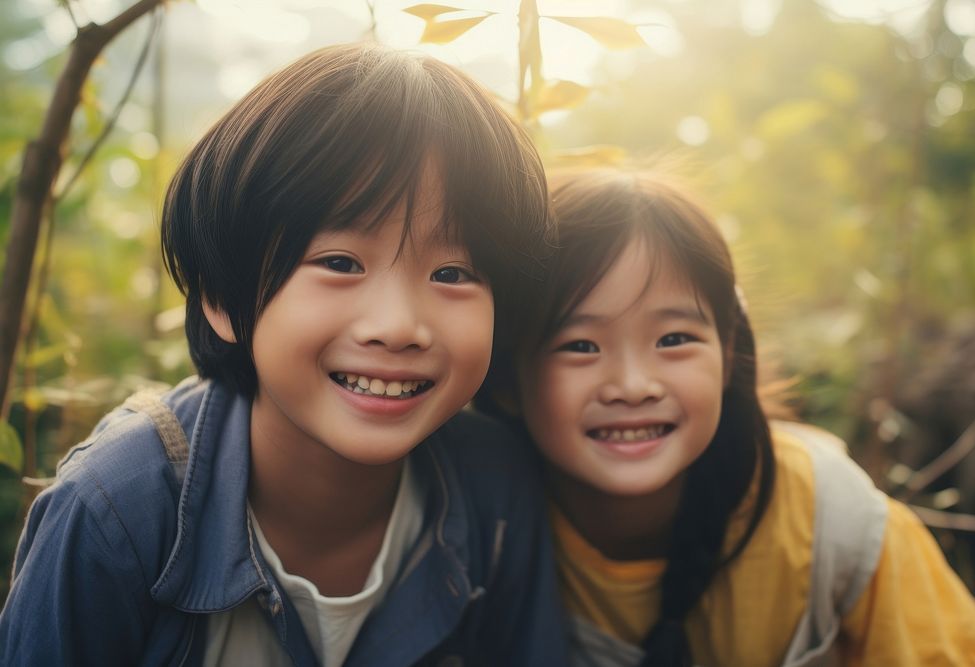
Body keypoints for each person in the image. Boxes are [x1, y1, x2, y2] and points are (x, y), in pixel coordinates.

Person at [0, 43, 568, 666]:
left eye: (454, 273)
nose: (400, 326)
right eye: (339, 262)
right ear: (222, 294)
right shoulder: (118, 513)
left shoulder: (494, 490)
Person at [480, 167, 975, 666]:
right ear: (506, 378)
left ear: (728, 353)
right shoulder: (476, 522)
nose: (633, 386)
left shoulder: (828, 518)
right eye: (581, 345)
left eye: (674, 339)